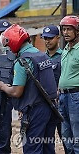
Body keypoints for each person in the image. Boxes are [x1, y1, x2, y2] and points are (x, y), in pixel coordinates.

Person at [0, 24, 58, 154]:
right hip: (50, 109)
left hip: (35, 112)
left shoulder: (22, 62)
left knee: (32, 149)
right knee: (47, 148)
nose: (8, 48)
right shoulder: (42, 55)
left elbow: (16, 92)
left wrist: (2, 86)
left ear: (15, 42)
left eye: (9, 45)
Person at [42, 25, 67, 153]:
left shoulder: (64, 56)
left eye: (50, 38)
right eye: (45, 38)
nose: (47, 41)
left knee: (67, 137)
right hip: (46, 105)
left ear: (58, 38)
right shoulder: (41, 58)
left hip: (62, 103)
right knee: (47, 139)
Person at [0, 19, 14, 154]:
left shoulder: (15, 54)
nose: (3, 36)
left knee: (4, 135)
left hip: (7, 100)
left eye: (6, 33)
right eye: (0, 33)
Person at [58, 15, 79, 153]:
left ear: (77, 31)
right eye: (64, 29)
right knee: (66, 135)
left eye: (69, 29)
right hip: (63, 97)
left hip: (75, 96)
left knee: (77, 135)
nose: (65, 32)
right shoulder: (65, 50)